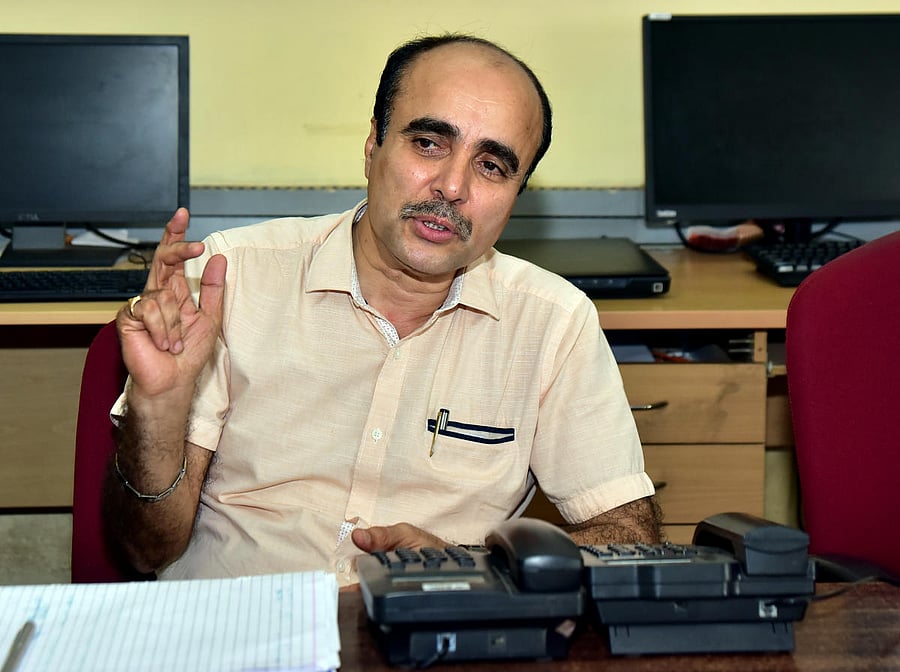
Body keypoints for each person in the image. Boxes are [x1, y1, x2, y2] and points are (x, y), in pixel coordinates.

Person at [107, 33, 662, 586]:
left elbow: (631, 539)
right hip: (232, 635)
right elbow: (142, 549)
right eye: (427, 143)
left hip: (437, 644)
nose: (451, 186)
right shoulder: (231, 277)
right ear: (373, 146)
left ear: (517, 193)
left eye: (492, 165)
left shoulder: (552, 322)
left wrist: (472, 566)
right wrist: (159, 411)